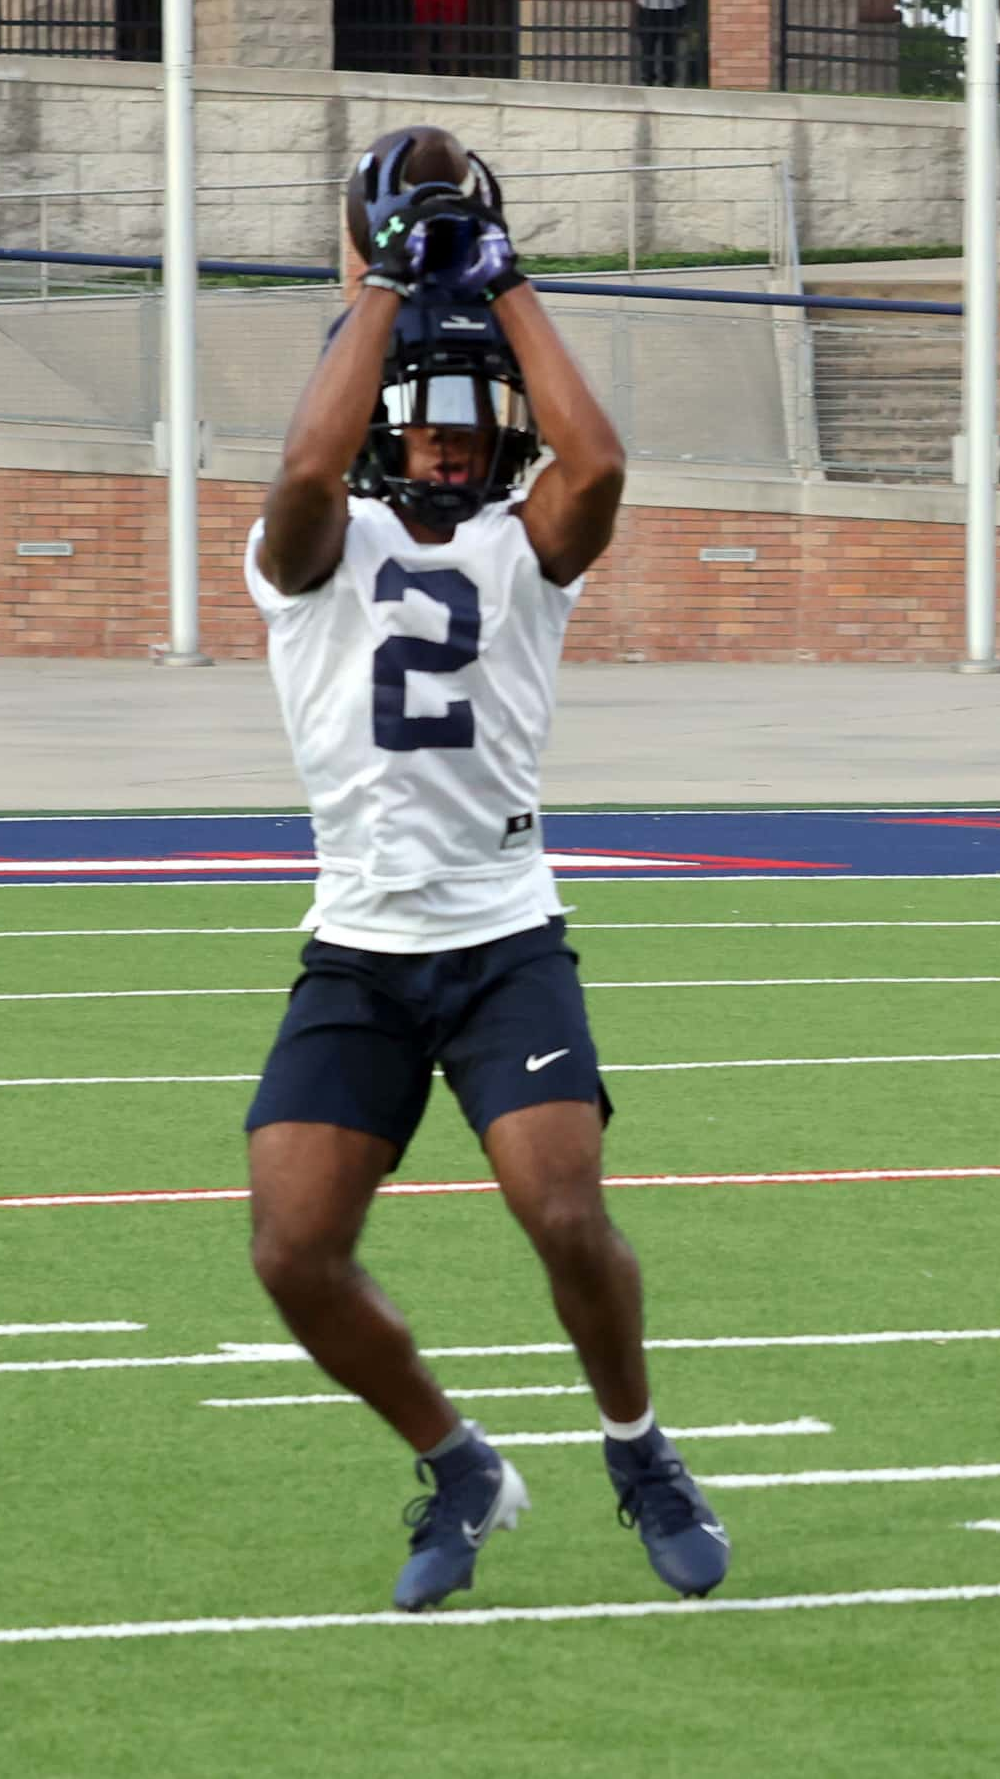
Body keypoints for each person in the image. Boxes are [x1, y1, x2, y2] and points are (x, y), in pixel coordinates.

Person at [242, 131, 731, 1614]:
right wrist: (388, 281)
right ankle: (458, 1462)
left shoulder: (532, 547)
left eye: (473, 430)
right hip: (363, 945)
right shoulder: (307, 551)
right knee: (292, 1249)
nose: (450, 446)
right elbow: (310, 459)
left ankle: (640, 1450)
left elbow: (605, 461)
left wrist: (510, 282)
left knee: (564, 1210)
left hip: (504, 934)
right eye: (430, 429)